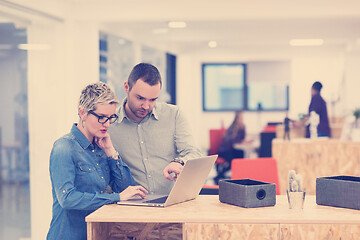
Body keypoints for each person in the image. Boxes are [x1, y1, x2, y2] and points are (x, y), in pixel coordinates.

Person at [47, 82, 147, 240]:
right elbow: (67, 199)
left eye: (110, 118)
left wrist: (111, 152)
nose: (107, 124)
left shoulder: (101, 147)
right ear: (83, 113)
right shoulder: (63, 148)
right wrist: (116, 198)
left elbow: (128, 189)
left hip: (96, 233)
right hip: (68, 235)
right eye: (101, 117)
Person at [109, 63, 202, 195]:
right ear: (126, 87)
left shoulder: (174, 115)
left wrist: (179, 162)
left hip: (171, 203)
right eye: (140, 98)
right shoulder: (109, 124)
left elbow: (194, 153)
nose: (146, 106)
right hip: (132, 206)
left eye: (152, 100)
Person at [215, 111, 246, 183]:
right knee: (236, 159)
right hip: (225, 151)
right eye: (240, 118)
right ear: (236, 118)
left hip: (232, 149)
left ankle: (239, 175)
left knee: (241, 153)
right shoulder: (233, 127)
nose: (241, 120)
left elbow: (242, 138)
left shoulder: (241, 127)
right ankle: (220, 174)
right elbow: (231, 140)